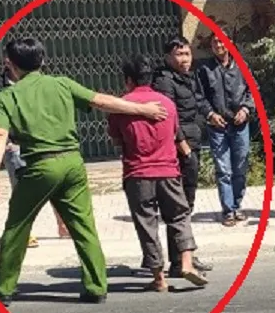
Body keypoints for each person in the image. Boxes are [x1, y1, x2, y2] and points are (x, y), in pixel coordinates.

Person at [0, 37, 169, 307]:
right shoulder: (62, 84)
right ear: (42, 61)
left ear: (12, 65)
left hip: (40, 167)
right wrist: (142, 109)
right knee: (84, 227)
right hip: (73, 164)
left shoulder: (6, 96)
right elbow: (101, 101)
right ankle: (96, 286)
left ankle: (0, 289)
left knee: (17, 228)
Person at [107, 54, 209, 292]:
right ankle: (186, 262)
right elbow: (174, 135)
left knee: (147, 224)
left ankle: (158, 277)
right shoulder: (167, 104)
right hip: (169, 171)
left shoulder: (121, 107)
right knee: (180, 216)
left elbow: (116, 141)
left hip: (138, 174)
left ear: (128, 80)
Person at [0, 64, 70, 248]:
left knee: (53, 184)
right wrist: (3, 146)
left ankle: (63, 225)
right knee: (22, 190)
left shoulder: (38, 82)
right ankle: (26, 232)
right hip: (14, 145)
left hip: (40, 142)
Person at [152, 36, 213, 277]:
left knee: (187, 203)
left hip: (192, 142)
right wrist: (182, 145)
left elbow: (198, 101)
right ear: (168, 57)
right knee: (178, 205)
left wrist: (211, 115)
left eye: (187, 54)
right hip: (180, 148)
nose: (185, 59)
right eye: (179, 55)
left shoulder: (187, 77)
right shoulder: (164, 81)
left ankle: (183, 256)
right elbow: (169, 116)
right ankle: (179, 260)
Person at [195, 32, 254, 227]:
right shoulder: (204, 69)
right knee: (223, 170)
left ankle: (237, 205)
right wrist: (211, 114)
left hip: (240, 125)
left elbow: (252, 91)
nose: (218, 45)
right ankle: (228, 210)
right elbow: (199, 97)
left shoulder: (242, 66)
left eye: (221, 41)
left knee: (240, 167)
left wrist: (245, 109)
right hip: (217, 127)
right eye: (214, 41)